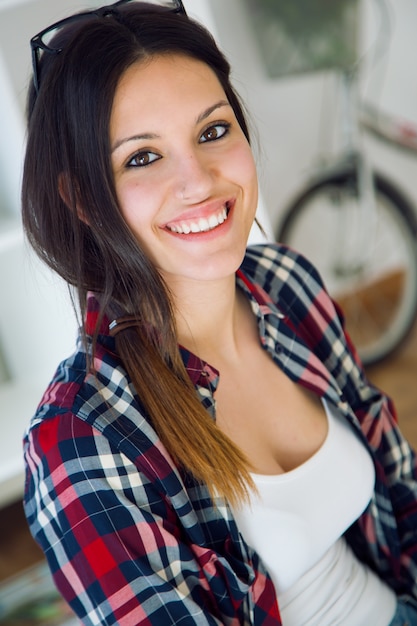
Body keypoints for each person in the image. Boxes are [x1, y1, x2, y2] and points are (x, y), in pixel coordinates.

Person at [21, 1, 417, 624]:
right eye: (142, 158)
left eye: (212, 131)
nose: (200, 181)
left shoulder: (287, 285)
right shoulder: (80, 441)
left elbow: (399, 484)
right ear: (83, 202)